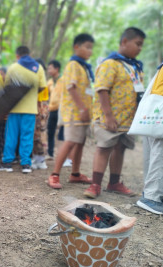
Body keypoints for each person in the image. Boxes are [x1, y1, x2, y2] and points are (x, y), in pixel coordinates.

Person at [83, 27, 146, 198]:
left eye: (142, 45)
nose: (140, 48)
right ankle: (95, 185)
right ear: (124, 41)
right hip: (108, 117)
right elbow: (102, 89)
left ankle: (114, 182)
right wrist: (109, 116)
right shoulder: (110, 63)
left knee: (120, 148)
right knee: (104, 148)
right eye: (137, 44)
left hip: (127, 118)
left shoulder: (134, 66)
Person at [47, 33, 95, 189]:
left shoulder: (83, 67)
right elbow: (71, 88)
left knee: (80, 143)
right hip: (75, 112)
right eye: (87, 47)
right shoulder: (73, 65)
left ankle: (75, 174)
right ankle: (54, 175)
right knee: (70, 142)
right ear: (76, 47)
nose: (90, 51)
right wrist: (82, 108)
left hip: (83, 113)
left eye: (91, 48)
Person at [0, 46, 47, 174]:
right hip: (30, 109)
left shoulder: (13, 68)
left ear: (17, 55)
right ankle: (26, 164)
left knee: (11, 136)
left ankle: (7, 163)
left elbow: (7, 87)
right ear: (29, 54)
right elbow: (42, 87)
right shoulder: (39, 68)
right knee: (27, 137)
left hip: (14, 108)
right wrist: (32, 93)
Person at [136, 53, 163, 215]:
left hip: (158, 111)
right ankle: (151, 197)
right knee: (162, 154)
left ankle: (156, 193)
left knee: (156, 154)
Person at [31, 58, 49, 170]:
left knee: (39, 134)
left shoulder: (40, 79)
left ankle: (41, 160)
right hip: (41, 107)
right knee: (37, 133)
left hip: (40, 107)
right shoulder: (43, 79)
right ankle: (38, 159)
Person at [46, 60, 61, 160]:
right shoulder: (50, 82)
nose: (49, 71)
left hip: (62, 110)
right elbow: (46, 95)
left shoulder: (64, 80)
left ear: (57, 69)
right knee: (50, 132)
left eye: (50, 68)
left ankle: (63, 155)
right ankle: (50, 153)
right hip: (52, 110)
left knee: (62, 133)